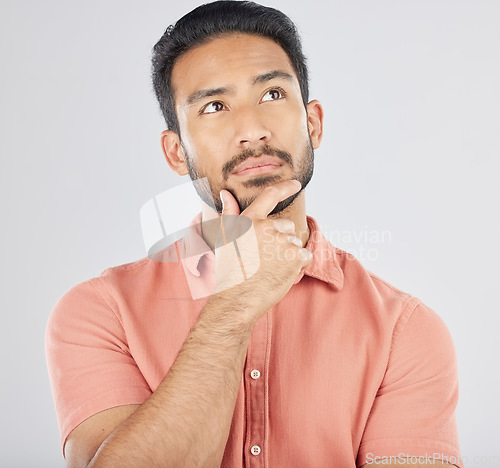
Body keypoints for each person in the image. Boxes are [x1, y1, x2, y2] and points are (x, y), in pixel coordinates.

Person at [46, 1, 462, 467]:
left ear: (314, 124)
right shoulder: (100, 314)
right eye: (215, 106)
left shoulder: (405, 332)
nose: (252, 130)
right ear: (176, 153)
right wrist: (233, 305)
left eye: (271, 96)